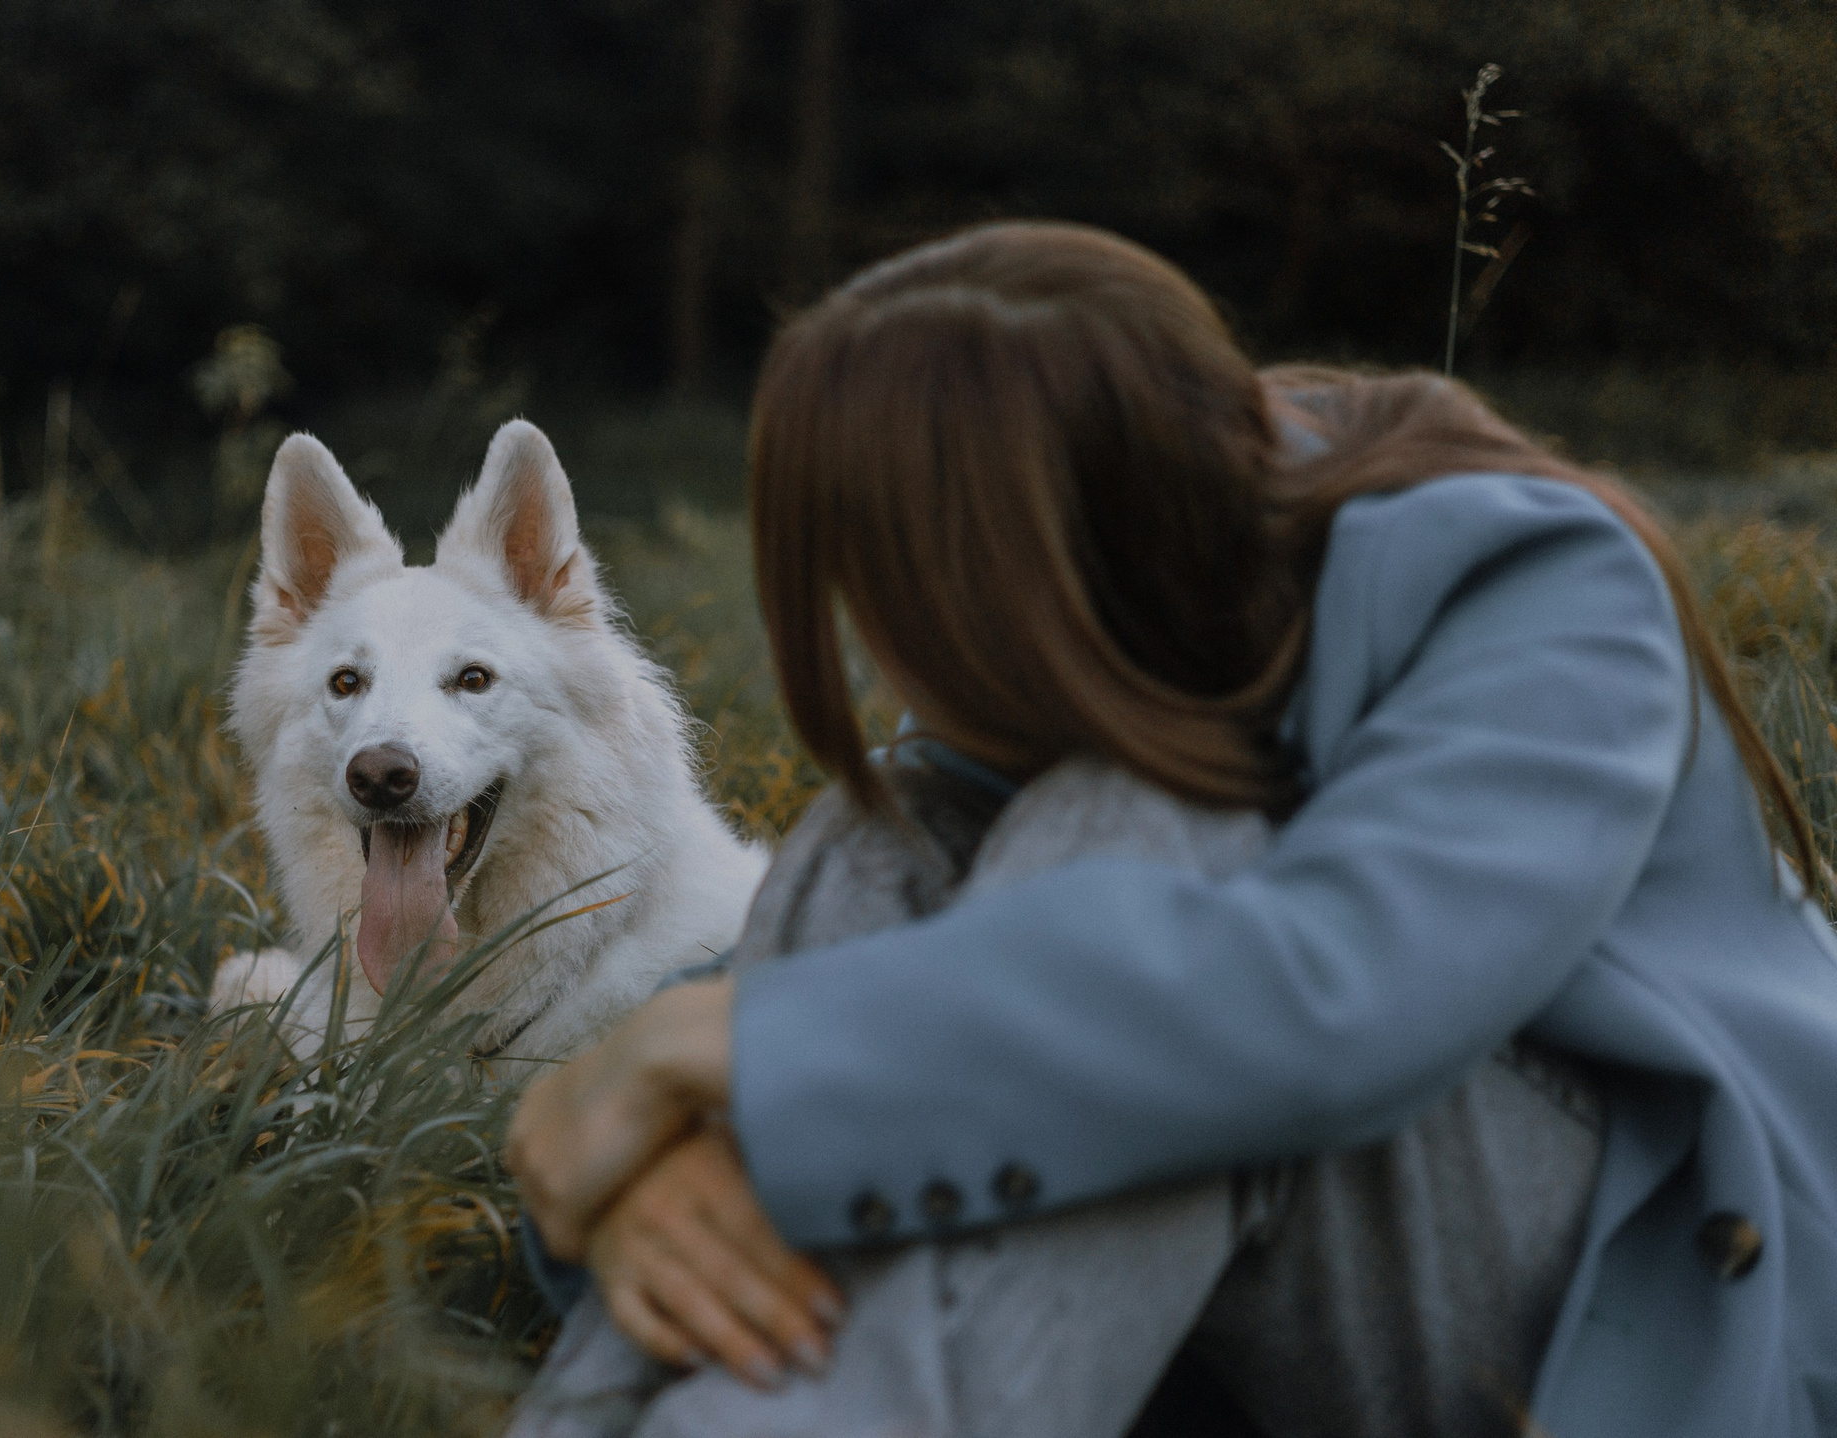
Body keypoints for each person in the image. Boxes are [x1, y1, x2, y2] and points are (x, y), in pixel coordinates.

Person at [501, 221, 1837, 1437]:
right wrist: (643, 1183)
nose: (882, 654)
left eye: (904, 596)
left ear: (1053, 558)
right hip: (1301, 1274)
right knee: (881, 838)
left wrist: (734, 1050)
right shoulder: (1081, 655)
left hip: (1660, 1291)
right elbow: (907, 1000)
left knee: (1142, 831)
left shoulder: (1536, 586)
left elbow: (1330, 998)